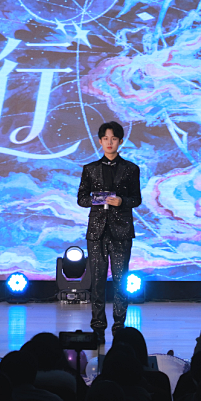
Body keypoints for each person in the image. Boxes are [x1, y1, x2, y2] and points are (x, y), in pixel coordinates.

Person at [76, 120, 142, 341]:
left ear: (120, 141)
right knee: (97, 282)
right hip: (96, 232)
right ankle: (98, 328)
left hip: (121, 231)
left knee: (121, 281)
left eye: (114, 139)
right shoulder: (90, 169)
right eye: (106, 138)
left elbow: (137, 199)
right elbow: (81, 199)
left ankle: (119, 327)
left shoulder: (131, 169)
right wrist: (97, 199)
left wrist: (121, 201)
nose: (109, 142)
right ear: (100, 141)